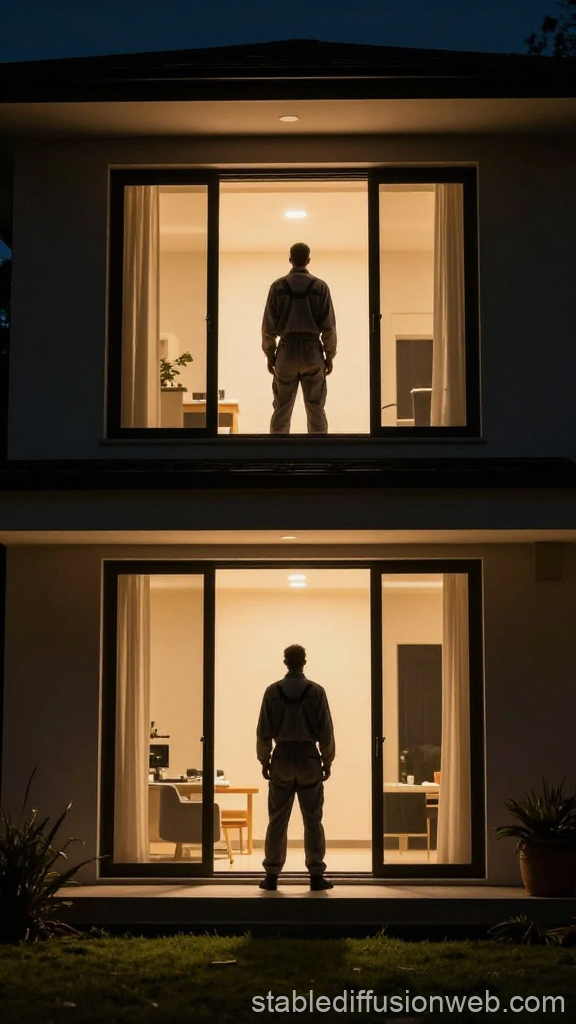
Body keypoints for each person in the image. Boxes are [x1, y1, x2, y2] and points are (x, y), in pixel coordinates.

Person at [256, 644, 336, 891]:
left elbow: (263, 731)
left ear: (285, 662)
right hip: (309, 758)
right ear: (304, 661)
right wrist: (327, 760)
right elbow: (326, 730)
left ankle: (271, 875)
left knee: (277, 819)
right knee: (313, 819)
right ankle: (315, 875)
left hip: (281, 758)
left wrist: (265, 760)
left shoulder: (272, 692)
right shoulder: (316, 692)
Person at [262, 242, 337, 434]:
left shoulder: (277, 287)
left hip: (286, 349)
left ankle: (278, 456)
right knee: (315, 408)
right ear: (308, 260)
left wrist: (270, 355)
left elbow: (268, 327)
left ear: (290, 260)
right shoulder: (320, 287)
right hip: (312, 350)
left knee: (282, 407)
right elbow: (328, 326)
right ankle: (318, 456)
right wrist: (329, 355)